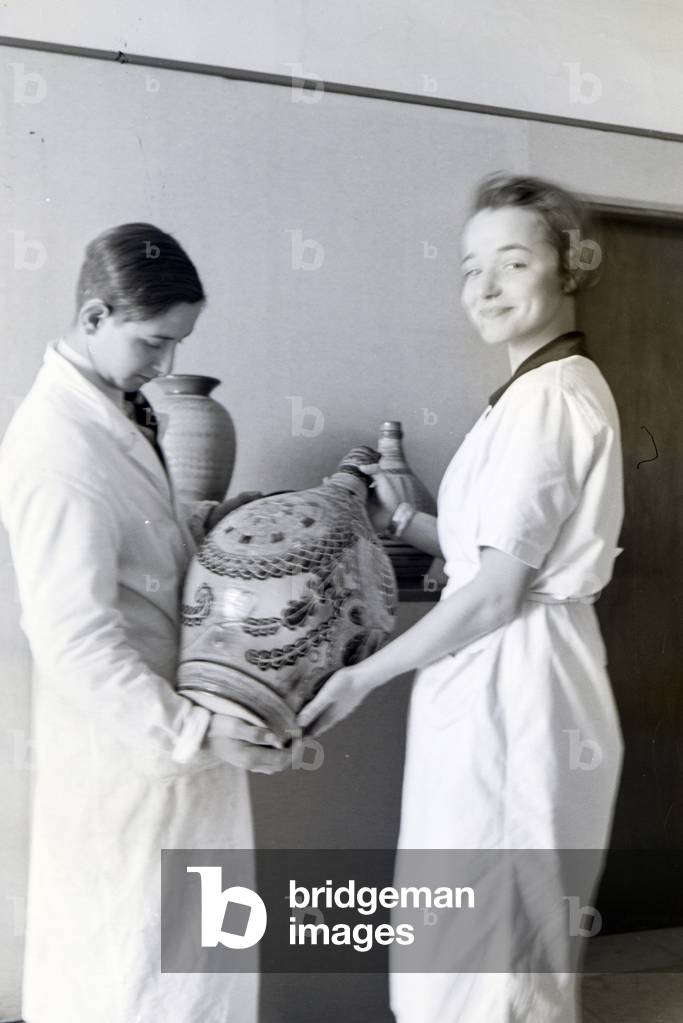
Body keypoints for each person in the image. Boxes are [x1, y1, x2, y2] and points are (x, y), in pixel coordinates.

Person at [299, 175, 624, 1021]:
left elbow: (495, 591)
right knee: (463, 939)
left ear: (569, 268)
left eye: (511, 262)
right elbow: (487, 555)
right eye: (469, 266)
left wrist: (361, 677)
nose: (482, 286)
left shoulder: (554, 397)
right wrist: (403, 517)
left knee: (496, 954)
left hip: (519, 686)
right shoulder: (522, 395)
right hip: (492, 680)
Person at [0, 223, 290, 1023]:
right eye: (155, 343)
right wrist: (195, 732)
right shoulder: (56, 448)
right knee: (136, 985)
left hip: (172, 753)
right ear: (95, 316)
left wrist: (215, 522)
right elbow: (72, 639)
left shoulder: (116, 409)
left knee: (193, 974)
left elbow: (139, 547)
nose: (165, 366)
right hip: (131, 759)